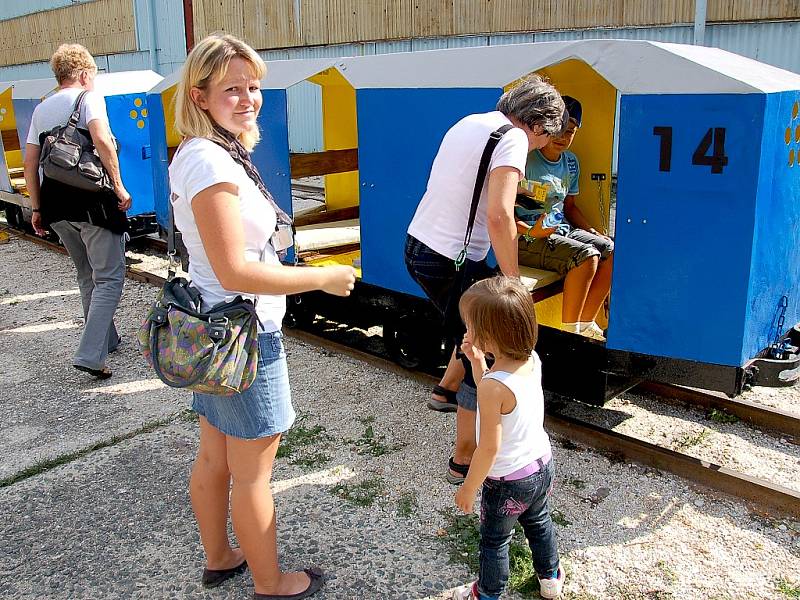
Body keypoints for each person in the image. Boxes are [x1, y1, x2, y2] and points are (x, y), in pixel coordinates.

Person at [170, 34, 355, 599]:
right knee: (252, 474)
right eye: (231, 89)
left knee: (217, 456)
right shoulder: (209, 162)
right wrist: (322, 278)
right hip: (244, 338)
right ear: (199, 96)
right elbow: (236, 272)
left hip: (212, 332)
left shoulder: (209, 152)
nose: (248, 98)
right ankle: (272, 583)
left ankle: (221, 556)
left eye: (253, 86)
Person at [405, 76, 566, 484]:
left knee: (472, 329)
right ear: (539, 125)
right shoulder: (512, 138)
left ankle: (444, 389)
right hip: (450, 259)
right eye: (544, 141)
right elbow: (499, 215)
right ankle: (464, 458)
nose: (538, 148)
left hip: (421, 245)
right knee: (489, 347)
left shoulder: (471, 121)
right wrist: (513, 283)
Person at [23, 43, 131, 379]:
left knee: (87, 275)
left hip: (57, 206)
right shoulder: (88, 98)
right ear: (84, 74)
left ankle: (106, 340)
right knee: (110, 277)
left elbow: (30, 161)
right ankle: (90, 353)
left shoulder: (42, 108)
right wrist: (118, 184)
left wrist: (37, 207)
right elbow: (102, 140)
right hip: (92, 204)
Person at [452, 276, 563, 600]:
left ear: (489, 336)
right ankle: (551, 578)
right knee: (539, 522)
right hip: (540, 466)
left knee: (494, 541)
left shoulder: (491, 388)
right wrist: (477, 361)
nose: (466, 332)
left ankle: (487, 593)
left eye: (470, 326)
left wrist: (470, 487)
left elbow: (489, 447)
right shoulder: (530, 360)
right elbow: (498, 390)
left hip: (507, 482)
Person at [516, 96, 613, 341]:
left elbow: (569, 206)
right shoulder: (524, 158)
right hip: (525, 235)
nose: (563, 136)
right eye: (559, 129)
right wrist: (531, 231)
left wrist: (592, 231)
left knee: (612, 251)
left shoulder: (571, 163)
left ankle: (586, 321)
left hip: (559, 230)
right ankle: (570, 333)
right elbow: (501, 211)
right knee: (587, 256)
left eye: (571, 131)